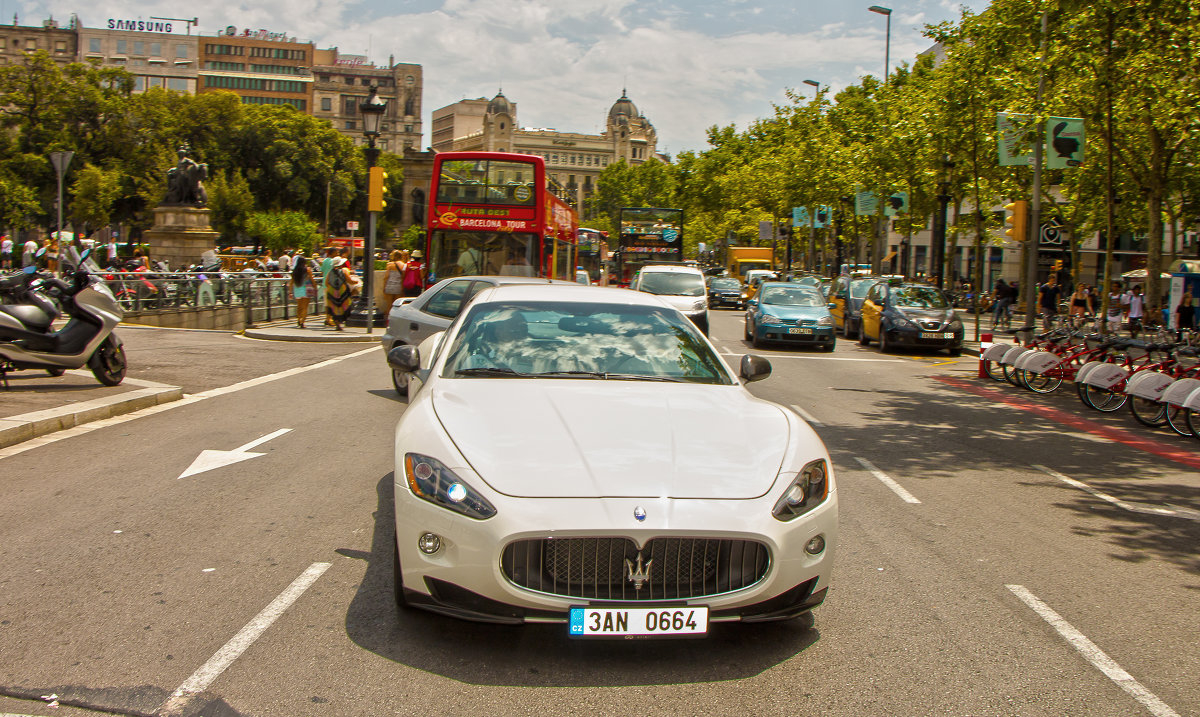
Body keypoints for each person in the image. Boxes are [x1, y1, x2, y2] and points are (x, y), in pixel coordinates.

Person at [324, 256, 355, 331]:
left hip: (332, 291)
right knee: (345, 305)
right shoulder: (344, 271)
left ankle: (337, 322)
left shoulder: (330, 272)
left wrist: (333, 288)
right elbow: (350, 281)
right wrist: (356, 282)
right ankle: (341, 321)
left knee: (334, 308)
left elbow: (326, 283)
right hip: (342, 291)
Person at [290, 252, 315, 329]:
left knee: (299, 306)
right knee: (305, 307)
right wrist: (315, 286)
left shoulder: (295, 271)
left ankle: (298, 319)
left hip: (297, 288)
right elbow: (311, 279)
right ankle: (302, 321)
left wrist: (290, 292)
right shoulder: (307, 270)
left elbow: (291, 282)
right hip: (307, 288)